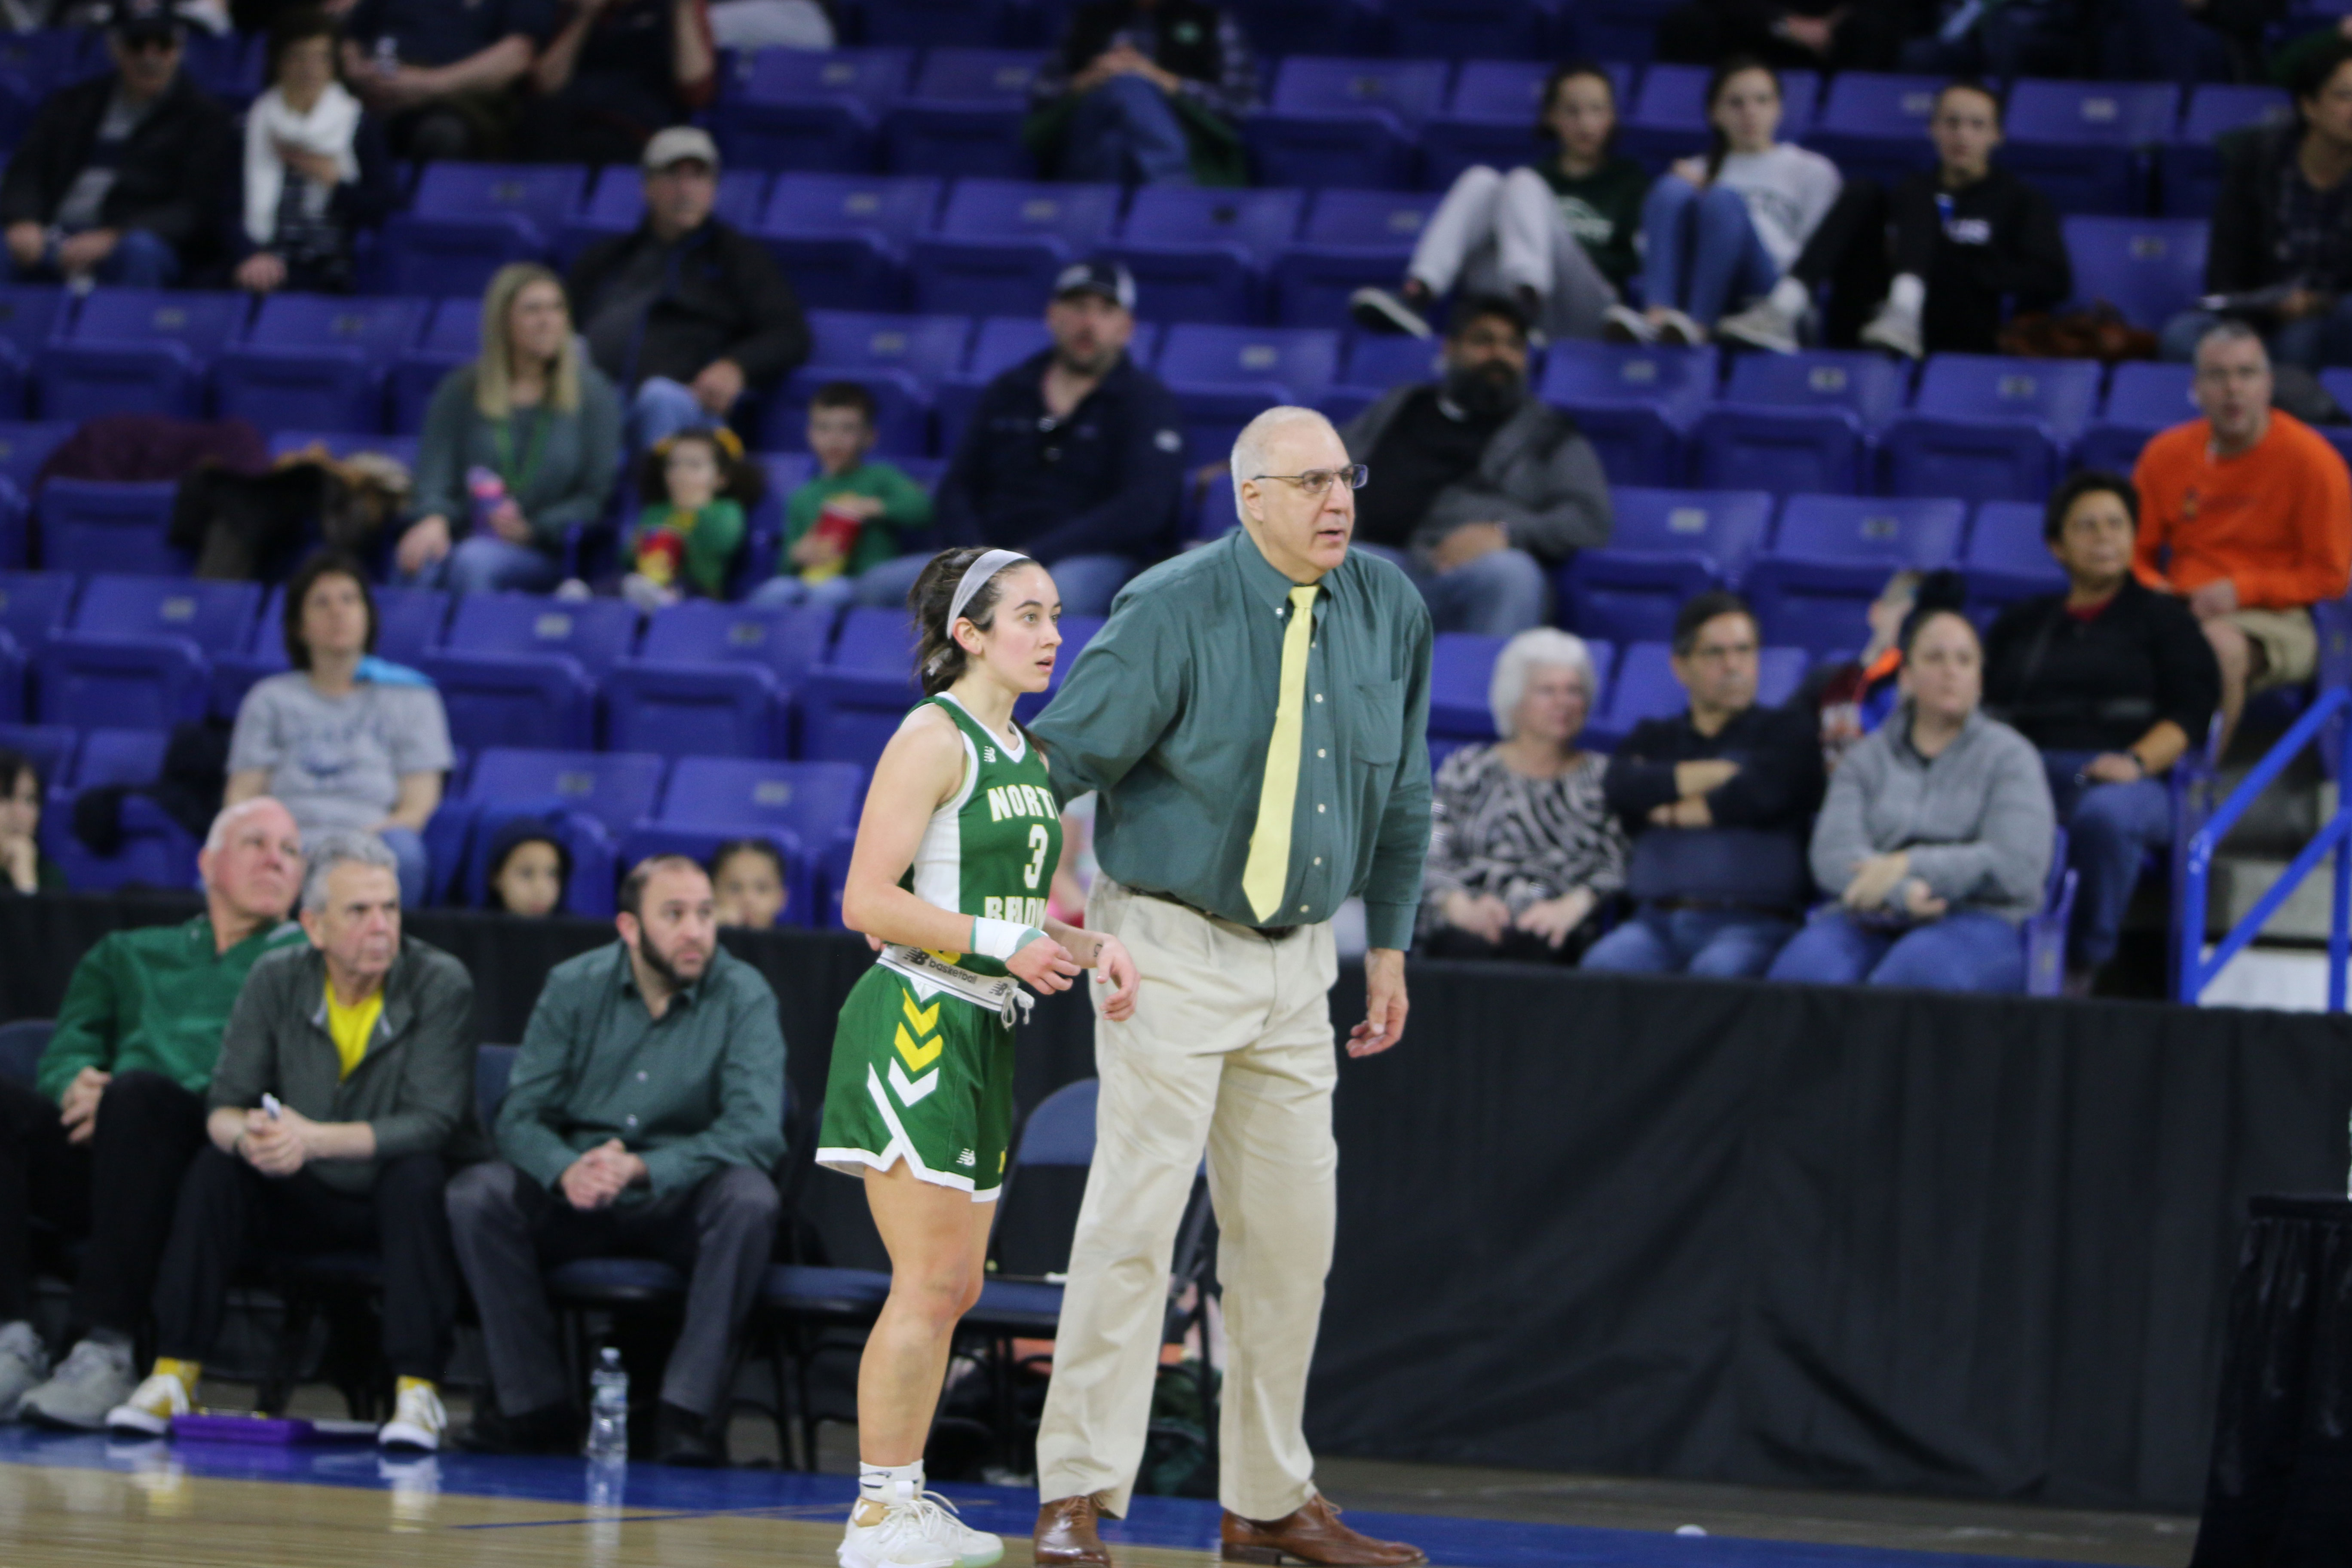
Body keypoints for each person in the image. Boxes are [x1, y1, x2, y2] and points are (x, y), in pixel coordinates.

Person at [1026, 406, 1430, 1568]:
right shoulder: (1172, 604)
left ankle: (1265, 1502)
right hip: (1165, 942)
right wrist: (1019, 895)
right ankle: (1074, 1497)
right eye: (1308, 483)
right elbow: (1059, 759)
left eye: (1344, 478)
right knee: (1134, 1226)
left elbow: (1405, 790)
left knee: (1292, 1241)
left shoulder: (1391, 605)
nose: (1337, 501)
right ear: (1249, 498)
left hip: (1300, 961)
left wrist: (1389, 946)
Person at [817, 547, 1138, 1568]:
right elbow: (867, 901)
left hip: (986, 1025)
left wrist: (1088, 944)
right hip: (916, 1016)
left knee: (955, 1287)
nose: (1053, 636)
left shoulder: (1026, 755)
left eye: (1056, 615)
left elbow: (1008, 912)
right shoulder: (930, 736)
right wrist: (1008, 942)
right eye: (1028, 616)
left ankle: (905, 1496)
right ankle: (877, 1514)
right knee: (925, 1281)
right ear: (968, 633)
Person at [104, 834, 482, 1453]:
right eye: (359, 911)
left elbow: (433, 1123)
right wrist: (252, 1138)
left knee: (417, 1174)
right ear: (314, 926)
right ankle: (173, 1374)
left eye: (390, 908)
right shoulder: (276, 976)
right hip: (304, 1192)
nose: (381, 926)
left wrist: (312, 1139)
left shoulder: (441, 981)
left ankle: (418, 1389)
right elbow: (224, 1105)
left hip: (391, 1198)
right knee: (217, 1169)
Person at [445, 854, 784, 1465]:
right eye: (674, 915)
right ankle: (534, 1410)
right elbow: (519, 1116)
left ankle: (686, 1417)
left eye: (705, 914)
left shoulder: (744, 994)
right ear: (629, 927)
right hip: (578, 1195)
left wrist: (646, 1169)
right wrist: (565, 1169)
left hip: (680, 1197)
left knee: (750, 1199)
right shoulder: (575, 984)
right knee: (478, 1195)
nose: (695, 931)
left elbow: (756, 1131)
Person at [0, 799, 304, 1431]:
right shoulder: (129, 952)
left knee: (139, 1097)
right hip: (108, 1148)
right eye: (257, 843)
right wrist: (75, 1084)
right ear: (208, 863)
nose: (276, 860)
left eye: (291, 851)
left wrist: (119, 1097)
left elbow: (290, 1078)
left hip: (211, 1160)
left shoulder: (305, 963)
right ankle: (11, 1339)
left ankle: (104, 1349)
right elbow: (70, 1046)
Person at [1984, 472, 2220, 989]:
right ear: (2057, 546)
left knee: (2106, 816)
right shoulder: (2024, 622)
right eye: (2087, 527)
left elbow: (2193, 713)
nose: (2104, 538)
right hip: (2031, 771)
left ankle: (2081, 962)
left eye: (2116, 525)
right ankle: (1989, 945)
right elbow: (1984, 705)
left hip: (2137, 778)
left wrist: (2135, 762)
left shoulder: (2166, 620)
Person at [1767, 608, 2055, 992]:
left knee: (1908, 982)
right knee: (1801, 977)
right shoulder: (1864, 758)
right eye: (1935, 658)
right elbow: (1833, 855)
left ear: (1979, 681)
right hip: (1869, 911)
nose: (1951, 671)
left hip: (1979, 916)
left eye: (1965, 660)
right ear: (1906, 676)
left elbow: (2015, 865)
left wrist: (1907, 865)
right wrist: (1899, 892)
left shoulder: (2012, 757)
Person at [876, 261, 1184, 619]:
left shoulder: (1147, 402)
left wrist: (1035, 554)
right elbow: (958, 486)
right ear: (1052, 316)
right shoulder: (1009, 389)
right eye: (1078, 307)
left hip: (1089, 558)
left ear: (1126, 328)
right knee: (879, 588)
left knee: (1051, 598)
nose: (1089, 323)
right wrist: (980, 555)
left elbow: (1144, 507)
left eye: (1105, 311)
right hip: (990, 555)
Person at [1718, 80, 2070, 359]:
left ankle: (1905, 313)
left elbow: (2054, 279)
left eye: (1977, 125)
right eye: (1952, 123)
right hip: (1876, 327)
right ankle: (1784, 307)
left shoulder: (2022, 200)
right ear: (1933, 129)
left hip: (1965, 332)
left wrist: (1963, 263)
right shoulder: (1913, 192)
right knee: (1866, 192)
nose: (1963, 135)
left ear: (1997, 135)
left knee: (1917, 204)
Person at [2132, 321, 2352, 750]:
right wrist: (2155, 588)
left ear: (2268, 384)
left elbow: (2331, 576)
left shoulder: (2314, 462)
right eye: (2218, 376)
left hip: (2281, 616)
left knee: (2215, 648)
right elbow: (2133, 552)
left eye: (2246, 374)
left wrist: (2242, 590)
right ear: (2196, 388)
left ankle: (2195, 777)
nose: (2233, 389)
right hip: (2183, 605)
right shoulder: (2164, 454)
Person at [1583, 591, 1825, 977]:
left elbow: (1762, 793)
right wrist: (1721, 772)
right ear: (1681, 667)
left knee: (1718, 972)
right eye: (1715, 653)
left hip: (1752, 923)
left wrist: (1669, 805)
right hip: (1655, 923)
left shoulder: (1787, 731)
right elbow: (1621, 785)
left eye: (1744, 650)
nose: (1733, 665)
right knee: (1603, 967)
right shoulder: (1654, 736)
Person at [1338, 295, 1610, 636]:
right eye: (1484, 341)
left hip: (1462, 580)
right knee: (1308, 562)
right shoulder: (1403, 404)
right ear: (1450, 349)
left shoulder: (1547, 433)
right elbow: (1325, 466)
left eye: (1514, 346)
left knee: (1511, 574)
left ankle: (1481, 671)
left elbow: (1588, 519)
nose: (1500, 355)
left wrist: (1505, 533)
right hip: (1375, 567)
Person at [1351, 62, 1650, 345]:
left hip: (1590, 309)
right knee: (1481, 180)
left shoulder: (1628, 180)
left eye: (1597, 110)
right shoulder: (1538, 178)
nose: (1585, 123)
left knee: (1521, 181)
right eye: (1572, 111)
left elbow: (1636, 259)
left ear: (1613, 116)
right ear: (1551, 117)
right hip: (1522, 302)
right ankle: (1419, 293)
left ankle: (1526, 306)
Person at [227, 553, 451, 912]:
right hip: (287, 843)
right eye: (322, 602)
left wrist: (348, 848)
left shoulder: (413, 697)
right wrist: (274, 845)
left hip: (372, 841)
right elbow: (242, 797)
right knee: (225, 868)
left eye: (349, 600)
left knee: (407, 857)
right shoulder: (269, 698)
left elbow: (418, 807)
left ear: (368, 616)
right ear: (298, 626)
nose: (338, 612)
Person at [567, 127, 810, 453]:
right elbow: (565, 323)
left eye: (698, 176)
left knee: (659, 397)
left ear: (714, 187)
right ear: (647, 186)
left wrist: (736, 365)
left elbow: (789, 334)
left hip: (686, 407)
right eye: (673, 176)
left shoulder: (738, 257)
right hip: (603, 401)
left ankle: (664, 488)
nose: (686, 190)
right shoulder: (607, 258)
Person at [397, 264, 624, 596]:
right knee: (416, 557)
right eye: (533, 310)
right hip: (464, 534)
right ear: (502, 321)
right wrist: (434, 518)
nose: (548, 321)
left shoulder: (593, 394)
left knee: (474, 562)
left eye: (557, 308)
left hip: (545, 550)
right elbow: (433, 476)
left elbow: (594, 496)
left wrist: (534, 528)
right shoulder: (460, 391)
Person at [1419, 628, 1628, 962]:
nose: (1563, 702)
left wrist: (1571, 907)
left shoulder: (1604, 777)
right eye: (1547, 691)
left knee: (1534, 949)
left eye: (1574, 691)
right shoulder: (1468, 767)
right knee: (1463, 950)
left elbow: (1615, 862)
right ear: (1514, 700)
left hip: (1553, 924)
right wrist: (1458, 905)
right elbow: (1429, 844)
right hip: (1466, 915)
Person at [0, 0, 235, 288]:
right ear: (115, 49)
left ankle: (127, 319)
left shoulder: (204, 117)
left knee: (140, 251)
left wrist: (114, 236)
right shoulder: (74, 103)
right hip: (53, 233)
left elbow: (193, 208)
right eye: (137, 44)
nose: (150, 57)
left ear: (179, 50)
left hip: (136, 240)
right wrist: (23, 219)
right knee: (4, 244)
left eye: (163, 45)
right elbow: (27, 170)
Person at [1608, 58, 1840, 346]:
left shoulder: (1811, 169)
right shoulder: (1694, 169)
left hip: (1769, 286)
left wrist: (1714, 198)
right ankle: (1657, 317)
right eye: (1736, 103)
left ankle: (1700, 326)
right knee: (1670, 189)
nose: (1750, 112)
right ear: (1714, 113)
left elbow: (1815, 255)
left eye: (1762, 100)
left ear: (1779, 108)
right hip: (1697, 276)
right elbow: (1648, 245)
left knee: (1721, 199)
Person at [2159, 38, 2352, 370]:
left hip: (2332, 321)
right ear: (2309, 106)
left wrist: (2319, 304)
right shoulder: (2260, 161)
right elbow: (2225, 266)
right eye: (2345, 95)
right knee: (2181, 336)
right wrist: (2263, 306)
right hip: (2257, 311)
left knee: (2301, 341)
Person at [232, 8, 400, 297]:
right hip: (262, 260)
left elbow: (384, 208)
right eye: (298, 57)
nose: (309, 69)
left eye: (321, 57)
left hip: (329, 266)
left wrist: (334, 182)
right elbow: (226, 206)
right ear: (278, 61)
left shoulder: (358, 124)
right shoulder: (249, 126)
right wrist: (249, 254)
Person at [1026, 0, 1258, 187]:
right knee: (1126, 87)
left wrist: (1162, 80)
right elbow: (1042, 95)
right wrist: (1091, 77)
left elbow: (1240, 105)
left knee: (1115, 144)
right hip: (1088, 137)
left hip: (1188, 140)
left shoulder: (1210, 21)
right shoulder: (1088, 19)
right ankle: (1173, 189)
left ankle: (1096, 217)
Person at [748, 381, 934, 612]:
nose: (834, 439)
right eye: (824, 428)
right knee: (776, 590)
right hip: (810, 580)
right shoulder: (803, 497)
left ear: (870, 437)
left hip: (862, 583)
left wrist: (871, 507)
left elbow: (923, 510)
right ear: (810, 434)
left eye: (847, 429)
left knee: (831, 591)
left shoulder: (881, 477)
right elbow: (785, 564)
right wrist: (799, 554)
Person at [340, 0, 550, 161]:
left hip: (457, 104)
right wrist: (355, 70)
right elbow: (352, 37)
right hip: (369, 96)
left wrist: (424, 84)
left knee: (443, 134)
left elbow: (517, 55)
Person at [515, 0, 714, 166]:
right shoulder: (573, 9)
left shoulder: (677, 8)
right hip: (569, 121)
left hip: (639, 129)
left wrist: (682, 9)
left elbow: (696, 92)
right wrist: (586, 16)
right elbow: (545, 87)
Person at [619, 426, 758, 609]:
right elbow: (627, 558)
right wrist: (637, 546)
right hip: (647, 579)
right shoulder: (656, 511)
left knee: (681, 589)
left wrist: (690, 517)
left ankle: (660, 600)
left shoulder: (726, 510)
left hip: (698, 589)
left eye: (694, 466)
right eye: (673, 465)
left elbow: (723, 542)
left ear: (721, 478)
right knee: (620, 584)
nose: (681, 473)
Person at [1653, 0, 1927, 72]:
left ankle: (1854, 116)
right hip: (1757, 34)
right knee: (1688, 21)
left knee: (1872, 25)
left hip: (1838, 43)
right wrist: (1783, 24)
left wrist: (1832, 27)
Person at [0, 748, 63, 895]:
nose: (19, 813)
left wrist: (26, 880)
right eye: (5, 797)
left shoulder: (49, 876)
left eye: (29, 800)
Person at [484, 818, 570, 916]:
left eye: (552, 874)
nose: (541, 889)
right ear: (496, 877)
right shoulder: (475, 925)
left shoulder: (576, 924)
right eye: (527, 873)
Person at [708, 838, 785, 929]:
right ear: (712, 891)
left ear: (781, 897)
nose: (748, 900)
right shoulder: (697, 935)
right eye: (735, 888)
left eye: (762, 888)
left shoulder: (795, 937)